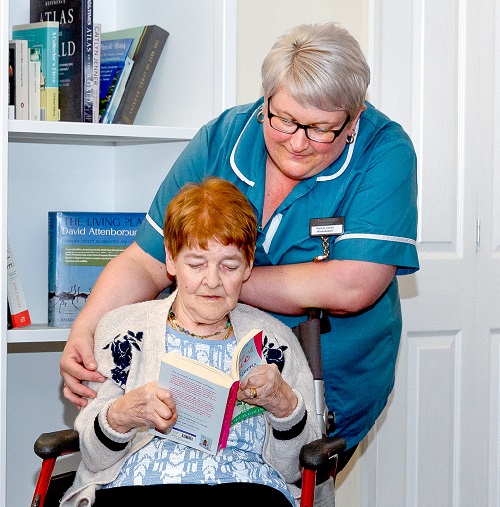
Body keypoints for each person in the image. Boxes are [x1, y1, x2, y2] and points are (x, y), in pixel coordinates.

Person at [61, 22, 419, 471]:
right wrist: (87, 328)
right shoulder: (223, 139)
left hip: (330, 375)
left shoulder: (384, 153)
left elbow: (353, 285)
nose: (297, 142)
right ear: (265, 99)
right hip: (199, 374)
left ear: (355, 116)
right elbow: (148, 259)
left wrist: (216, 279)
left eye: (321, 129)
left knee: (285, 469)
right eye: (283, 119)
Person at [60, 178, 330, 507]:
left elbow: (296, 470)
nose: (212, 281)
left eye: (229, 265)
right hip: (142, 486)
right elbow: (94, 459)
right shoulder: (125, 333)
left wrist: (285, 407)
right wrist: (121, 416)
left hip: (247, 489)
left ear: (248, 267)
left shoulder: (275, 343)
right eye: (196, 264)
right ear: (171, 261)